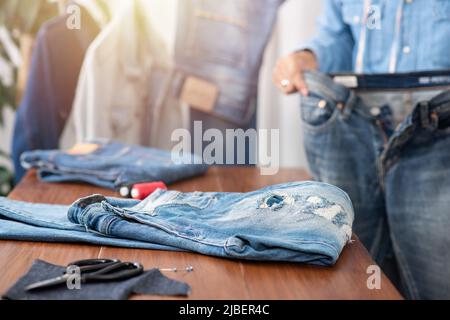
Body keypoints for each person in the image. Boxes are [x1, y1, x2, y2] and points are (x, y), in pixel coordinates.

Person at [272, 0, 450, 300]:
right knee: (348, 275)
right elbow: (339, 36)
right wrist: (308, 57)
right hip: (354, 129)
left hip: (439, 132)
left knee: (439, 279)